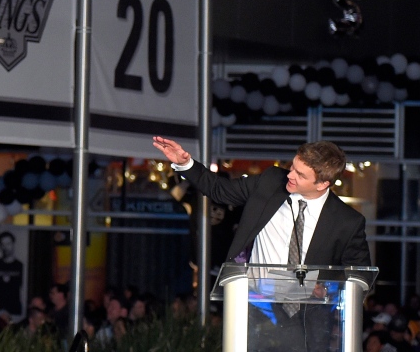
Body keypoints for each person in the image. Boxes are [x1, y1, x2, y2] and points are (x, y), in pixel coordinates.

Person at [152, 136, 370, 350]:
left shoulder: (347, 221)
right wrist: (185, 164)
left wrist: (326, 287)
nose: (290, 175)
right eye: (293, 167)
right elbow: (220, 190)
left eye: (300, 174)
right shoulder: (271, 181)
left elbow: (361, 275)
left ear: (323, 183)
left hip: (307, 321)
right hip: (254, 305)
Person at [0, 231, 24, 318]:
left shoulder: (20, 266)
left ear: (13, 244)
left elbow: (23, 289)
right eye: (3, 244)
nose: (5, 247)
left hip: (15, 310)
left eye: (8, 243)